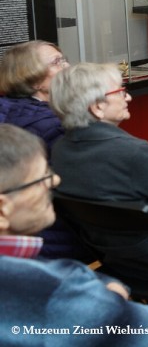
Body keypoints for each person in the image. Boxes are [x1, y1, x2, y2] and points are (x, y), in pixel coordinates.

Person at [0, 124, 148, 346]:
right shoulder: (56, 290)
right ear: (3, 210)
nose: (55, 181)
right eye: (41, 179)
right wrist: (113, 297)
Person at [49, 62, 148, 282]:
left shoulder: (61, 149)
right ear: (97, 107)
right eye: (121, 92)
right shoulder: (131, 151)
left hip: (112, 256)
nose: (128, 98)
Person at [0, 41, 86, 260]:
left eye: (64, 58)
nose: (68, 66)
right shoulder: (53, 125)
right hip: (51, 238)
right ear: (35, 80)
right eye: (58, 62)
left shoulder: (8, 110)